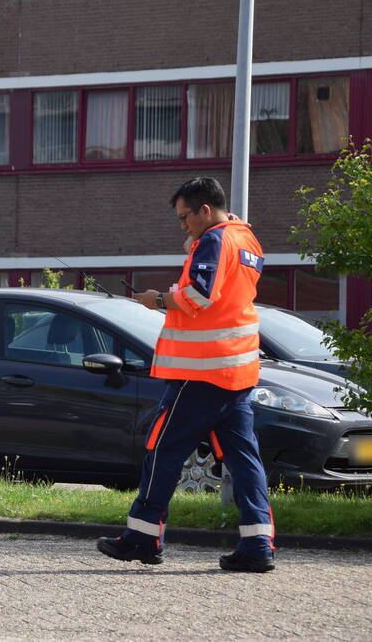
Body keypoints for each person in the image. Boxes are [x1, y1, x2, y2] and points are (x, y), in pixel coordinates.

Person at [97, 176, 275, 573]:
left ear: (204, 211)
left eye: (185, 218)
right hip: (237, 372)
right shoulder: (247, 240)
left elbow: (199, 294)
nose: (183, 226)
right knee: (245, 460)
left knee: (162, 450)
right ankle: (258, 544)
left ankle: (142, 538)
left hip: (201, 374)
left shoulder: (214, 238)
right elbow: (226, 296)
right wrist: (194, 247)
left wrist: (157, 299)